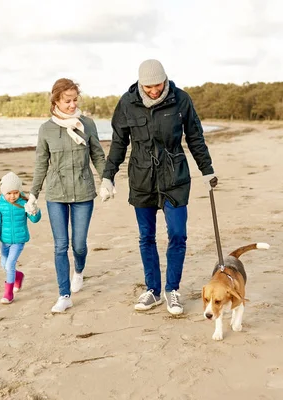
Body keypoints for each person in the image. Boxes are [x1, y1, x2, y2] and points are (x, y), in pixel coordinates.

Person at [99, 59, 218, 315]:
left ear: (165, 79)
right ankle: (152, 290)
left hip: (174, 177)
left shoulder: (181, 100)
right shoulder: (127, 103)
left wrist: (207, 170)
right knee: (146, 237)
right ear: (141, 84)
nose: (154, 91)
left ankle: (172, 290)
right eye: (149, 86)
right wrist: (108, 176)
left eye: (158, 85)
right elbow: (119, 143)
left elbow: (195, 137)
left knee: (177, 234)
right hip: (141, 179)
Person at [25, 78, 107, 313]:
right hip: (56, 194)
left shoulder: (88, 124)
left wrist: (106, 181)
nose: (72, 105)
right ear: (56, 101)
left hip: (83, 193)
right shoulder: (47, 129)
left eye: (74, 100)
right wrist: (33, 195)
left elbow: (98, 156)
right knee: (61, 246)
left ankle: (79, 270)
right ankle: (64, 295)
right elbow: (41, 164)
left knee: (78, 245)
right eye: (67, 101)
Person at [0, 171, 41, 304]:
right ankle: (18, 276)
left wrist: (34, 209)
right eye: (9, 193)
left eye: (15, 192)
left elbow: (35, 219)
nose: (12, 196)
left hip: (18, 241)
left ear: (19, 191)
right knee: (5, 265)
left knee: (10, 264)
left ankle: (8, 294)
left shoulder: (24, 203)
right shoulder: (0, 205)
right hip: (4, 241)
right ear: (3, 192)